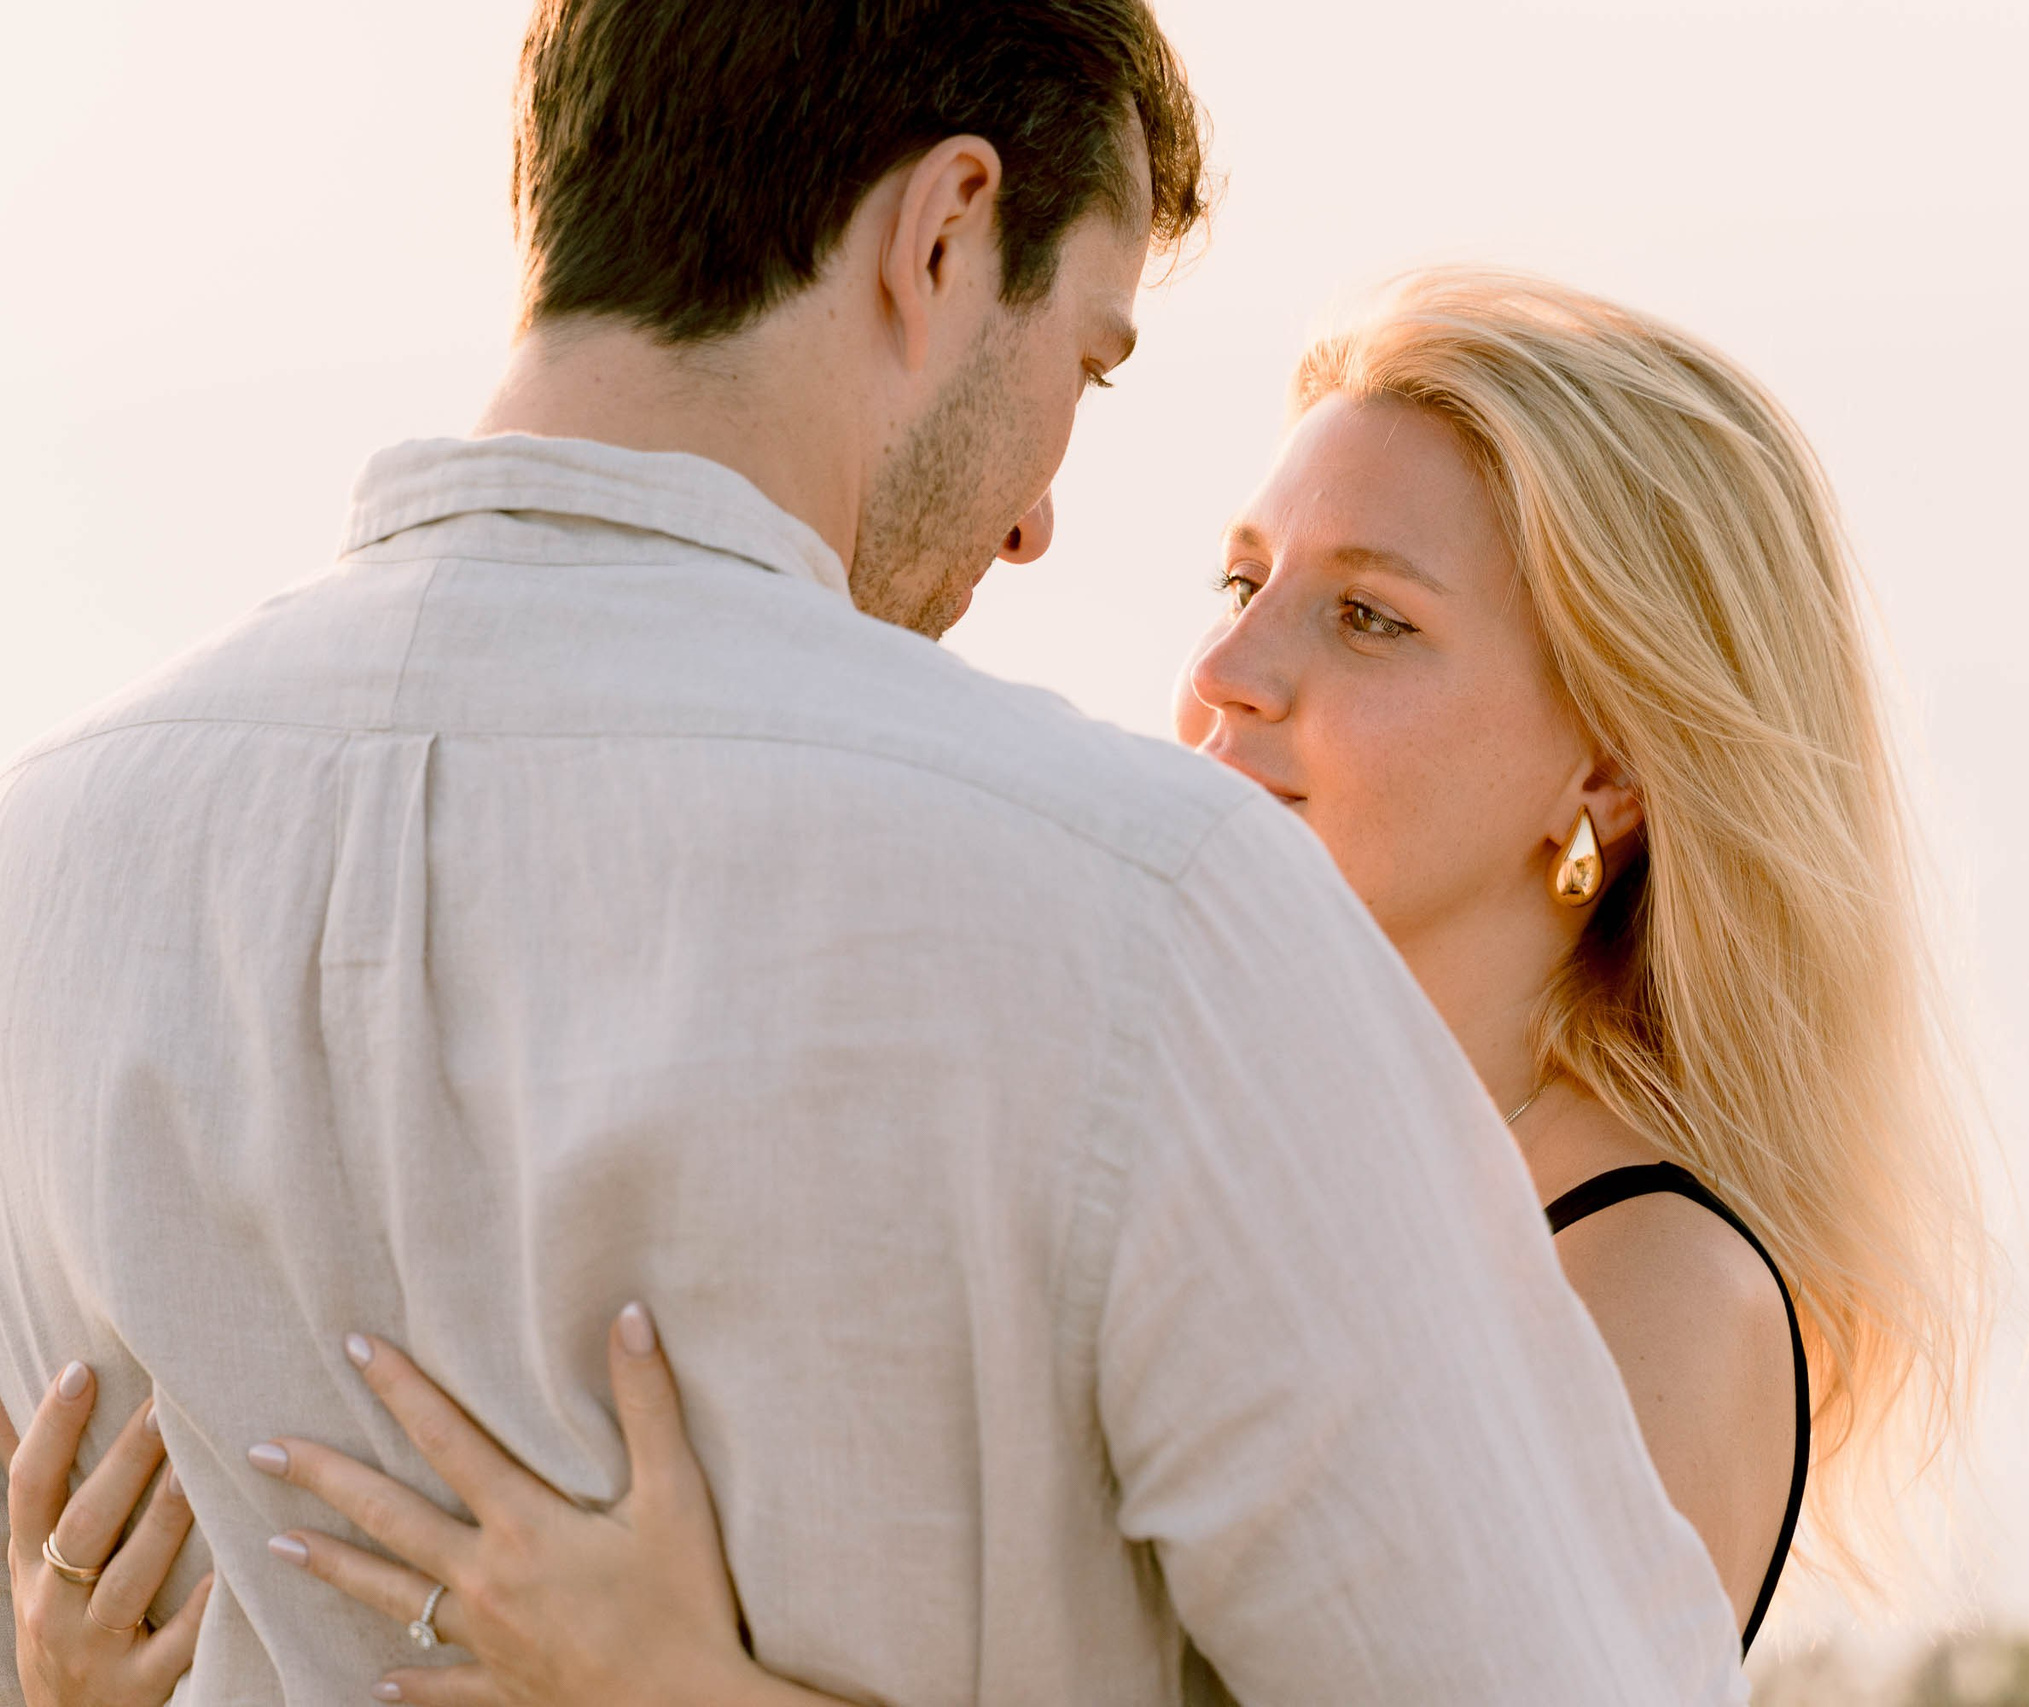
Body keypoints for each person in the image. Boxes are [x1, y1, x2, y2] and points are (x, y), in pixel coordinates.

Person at [0, 3, 1750, 1704]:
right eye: (1087, 356)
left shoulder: (44, 870)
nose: (1037, 515)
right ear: (946, 231)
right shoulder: (1150, 912)